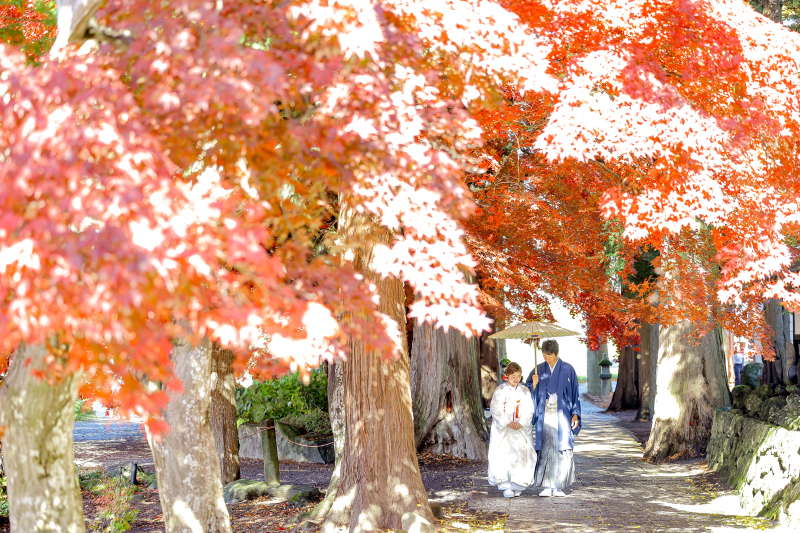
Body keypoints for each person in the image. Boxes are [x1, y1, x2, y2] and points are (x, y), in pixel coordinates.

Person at [525, 339, 581, 497]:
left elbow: (575, 393)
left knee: (561, 446)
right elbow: (527, 388)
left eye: (549, 355)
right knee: (545, 446)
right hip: (545, 413)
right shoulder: (538, 369)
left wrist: (575, 413)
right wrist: (534, 385)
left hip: (563, 413)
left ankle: (558, 486)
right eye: (544, 354)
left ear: (556, 354)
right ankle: (546, 486)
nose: (546, 358)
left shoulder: (567, 369)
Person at [488, 362, 537, 498]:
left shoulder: (525, 391)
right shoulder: (499, 390)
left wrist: (521, 423)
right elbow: (495, 409)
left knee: (522, 456)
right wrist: (507, 422)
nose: (516, 379)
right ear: (507, 376)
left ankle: (518, 485)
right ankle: (506, 485)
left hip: (520, 429)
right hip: (505, 430)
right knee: (504, 456)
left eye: (519, 376)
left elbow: (529, 409)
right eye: (513, 376)